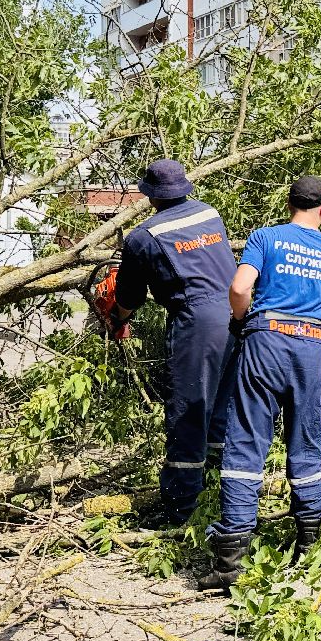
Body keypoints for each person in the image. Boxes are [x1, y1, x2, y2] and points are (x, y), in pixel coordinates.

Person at [199, 175, 321, 591]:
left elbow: (239, 287)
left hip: (267, 342)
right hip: (312, 348)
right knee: (306, 437)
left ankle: (229, 563)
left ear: (289, 202)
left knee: (247, 440)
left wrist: (239, 321)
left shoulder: (266, 237)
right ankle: (310, 549)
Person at [109, 159, 238, 528]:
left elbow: (129, 296)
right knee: (220, 410)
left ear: (149, 195)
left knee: (188, 412)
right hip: (236, 314)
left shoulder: (143, 237)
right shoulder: (209, 214)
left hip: (198, 323)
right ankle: (218, 490)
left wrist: (116, 318)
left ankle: (180, 508)